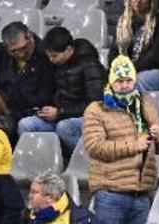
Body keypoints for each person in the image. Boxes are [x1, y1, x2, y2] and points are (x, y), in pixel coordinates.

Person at [83, 56, 159, 224]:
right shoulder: (96, 109)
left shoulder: (145, 103)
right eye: (119, 81)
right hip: (111, 192)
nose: (125, 85)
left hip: (142, 194)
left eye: (129, 80)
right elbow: (95, 147)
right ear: (111, 82)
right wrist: (134, 145)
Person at [16, 27, 104, 156]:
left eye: (54, 56)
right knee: (25, 124)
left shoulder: (90, 66)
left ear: (68, 50)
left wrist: (60, 112)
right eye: (49, 55)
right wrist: (42, 109)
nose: (51, 59)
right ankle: (42, 163)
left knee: (64, 127)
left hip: (85, 118)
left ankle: (90, 160)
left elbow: (95, 104)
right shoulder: (55, 64)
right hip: (60, 115)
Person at [0, 22, 56, 121]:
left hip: (33, 111)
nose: (21, 54)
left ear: (30, 36)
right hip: (3, 107)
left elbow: (47, 94)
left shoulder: (46, 55)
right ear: (5, 46)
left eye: (24, 48)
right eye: (14, 51)